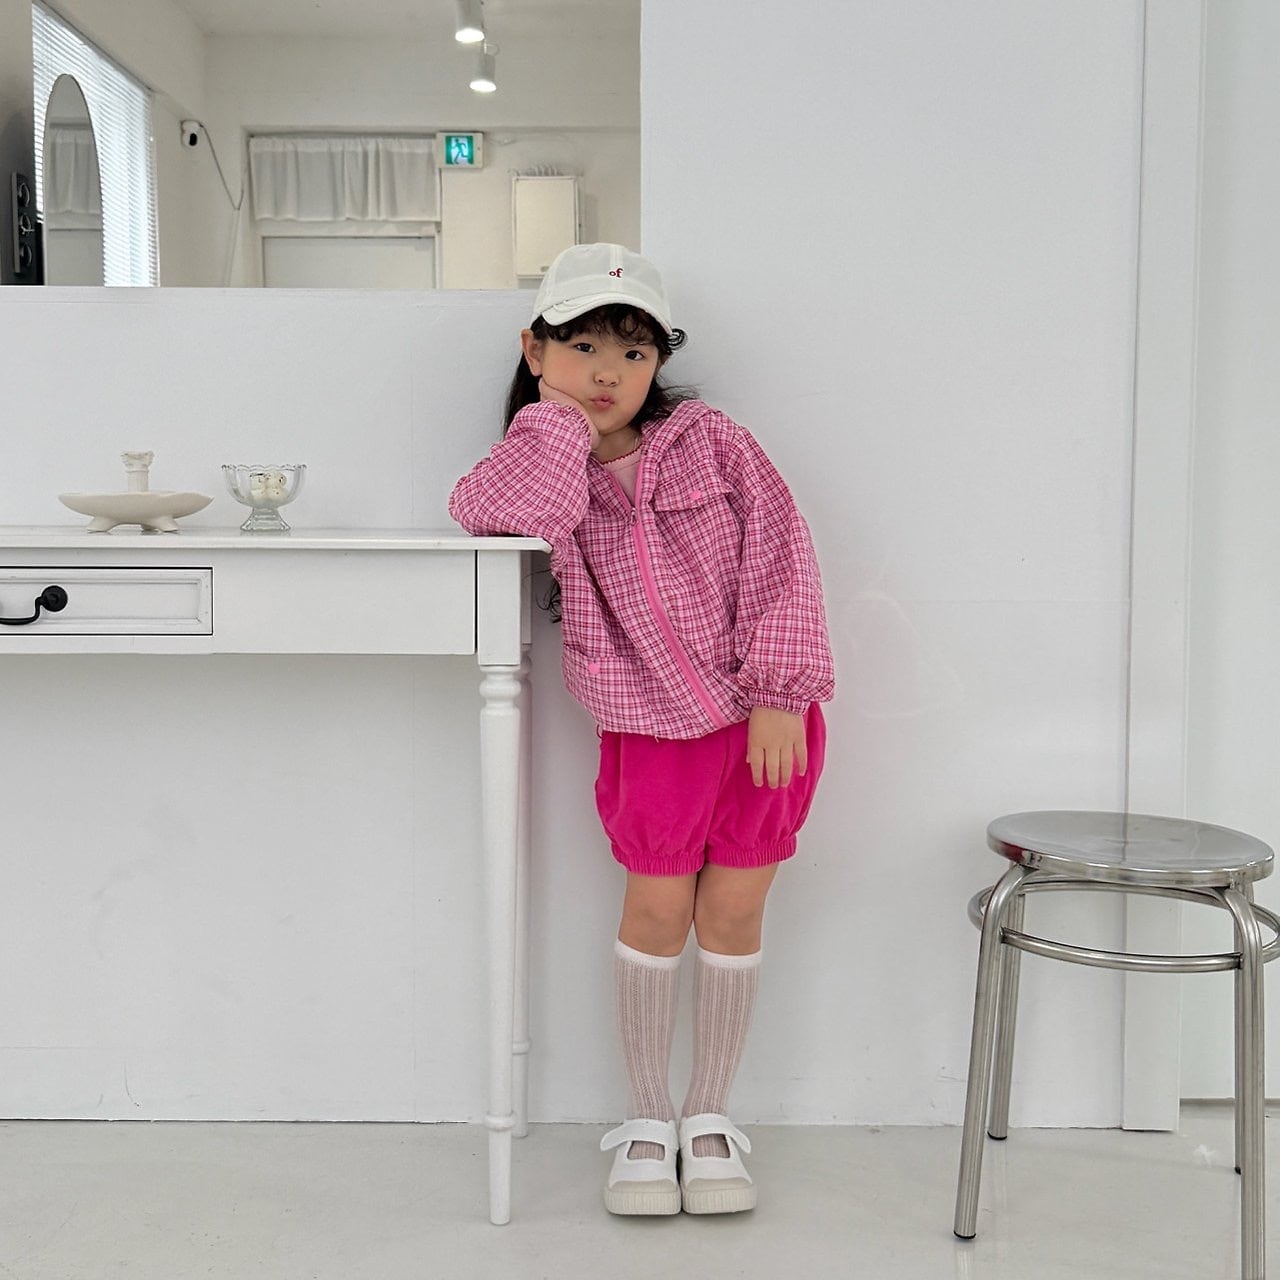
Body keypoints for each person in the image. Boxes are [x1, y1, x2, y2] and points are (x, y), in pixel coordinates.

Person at [449, 243, 834, 1217]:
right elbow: (497, 518)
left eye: (633, 350)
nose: (608, 372)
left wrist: (781, 691)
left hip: (761, 720)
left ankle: (708, 1119)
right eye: (581, 346)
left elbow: (783, 556)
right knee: (656, 914)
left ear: (659, 360)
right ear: (535, 350)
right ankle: (648, 1118)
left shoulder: (715, 444)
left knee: (733, 914)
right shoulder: (543, 458)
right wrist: (553, 429)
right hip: (648, 725)